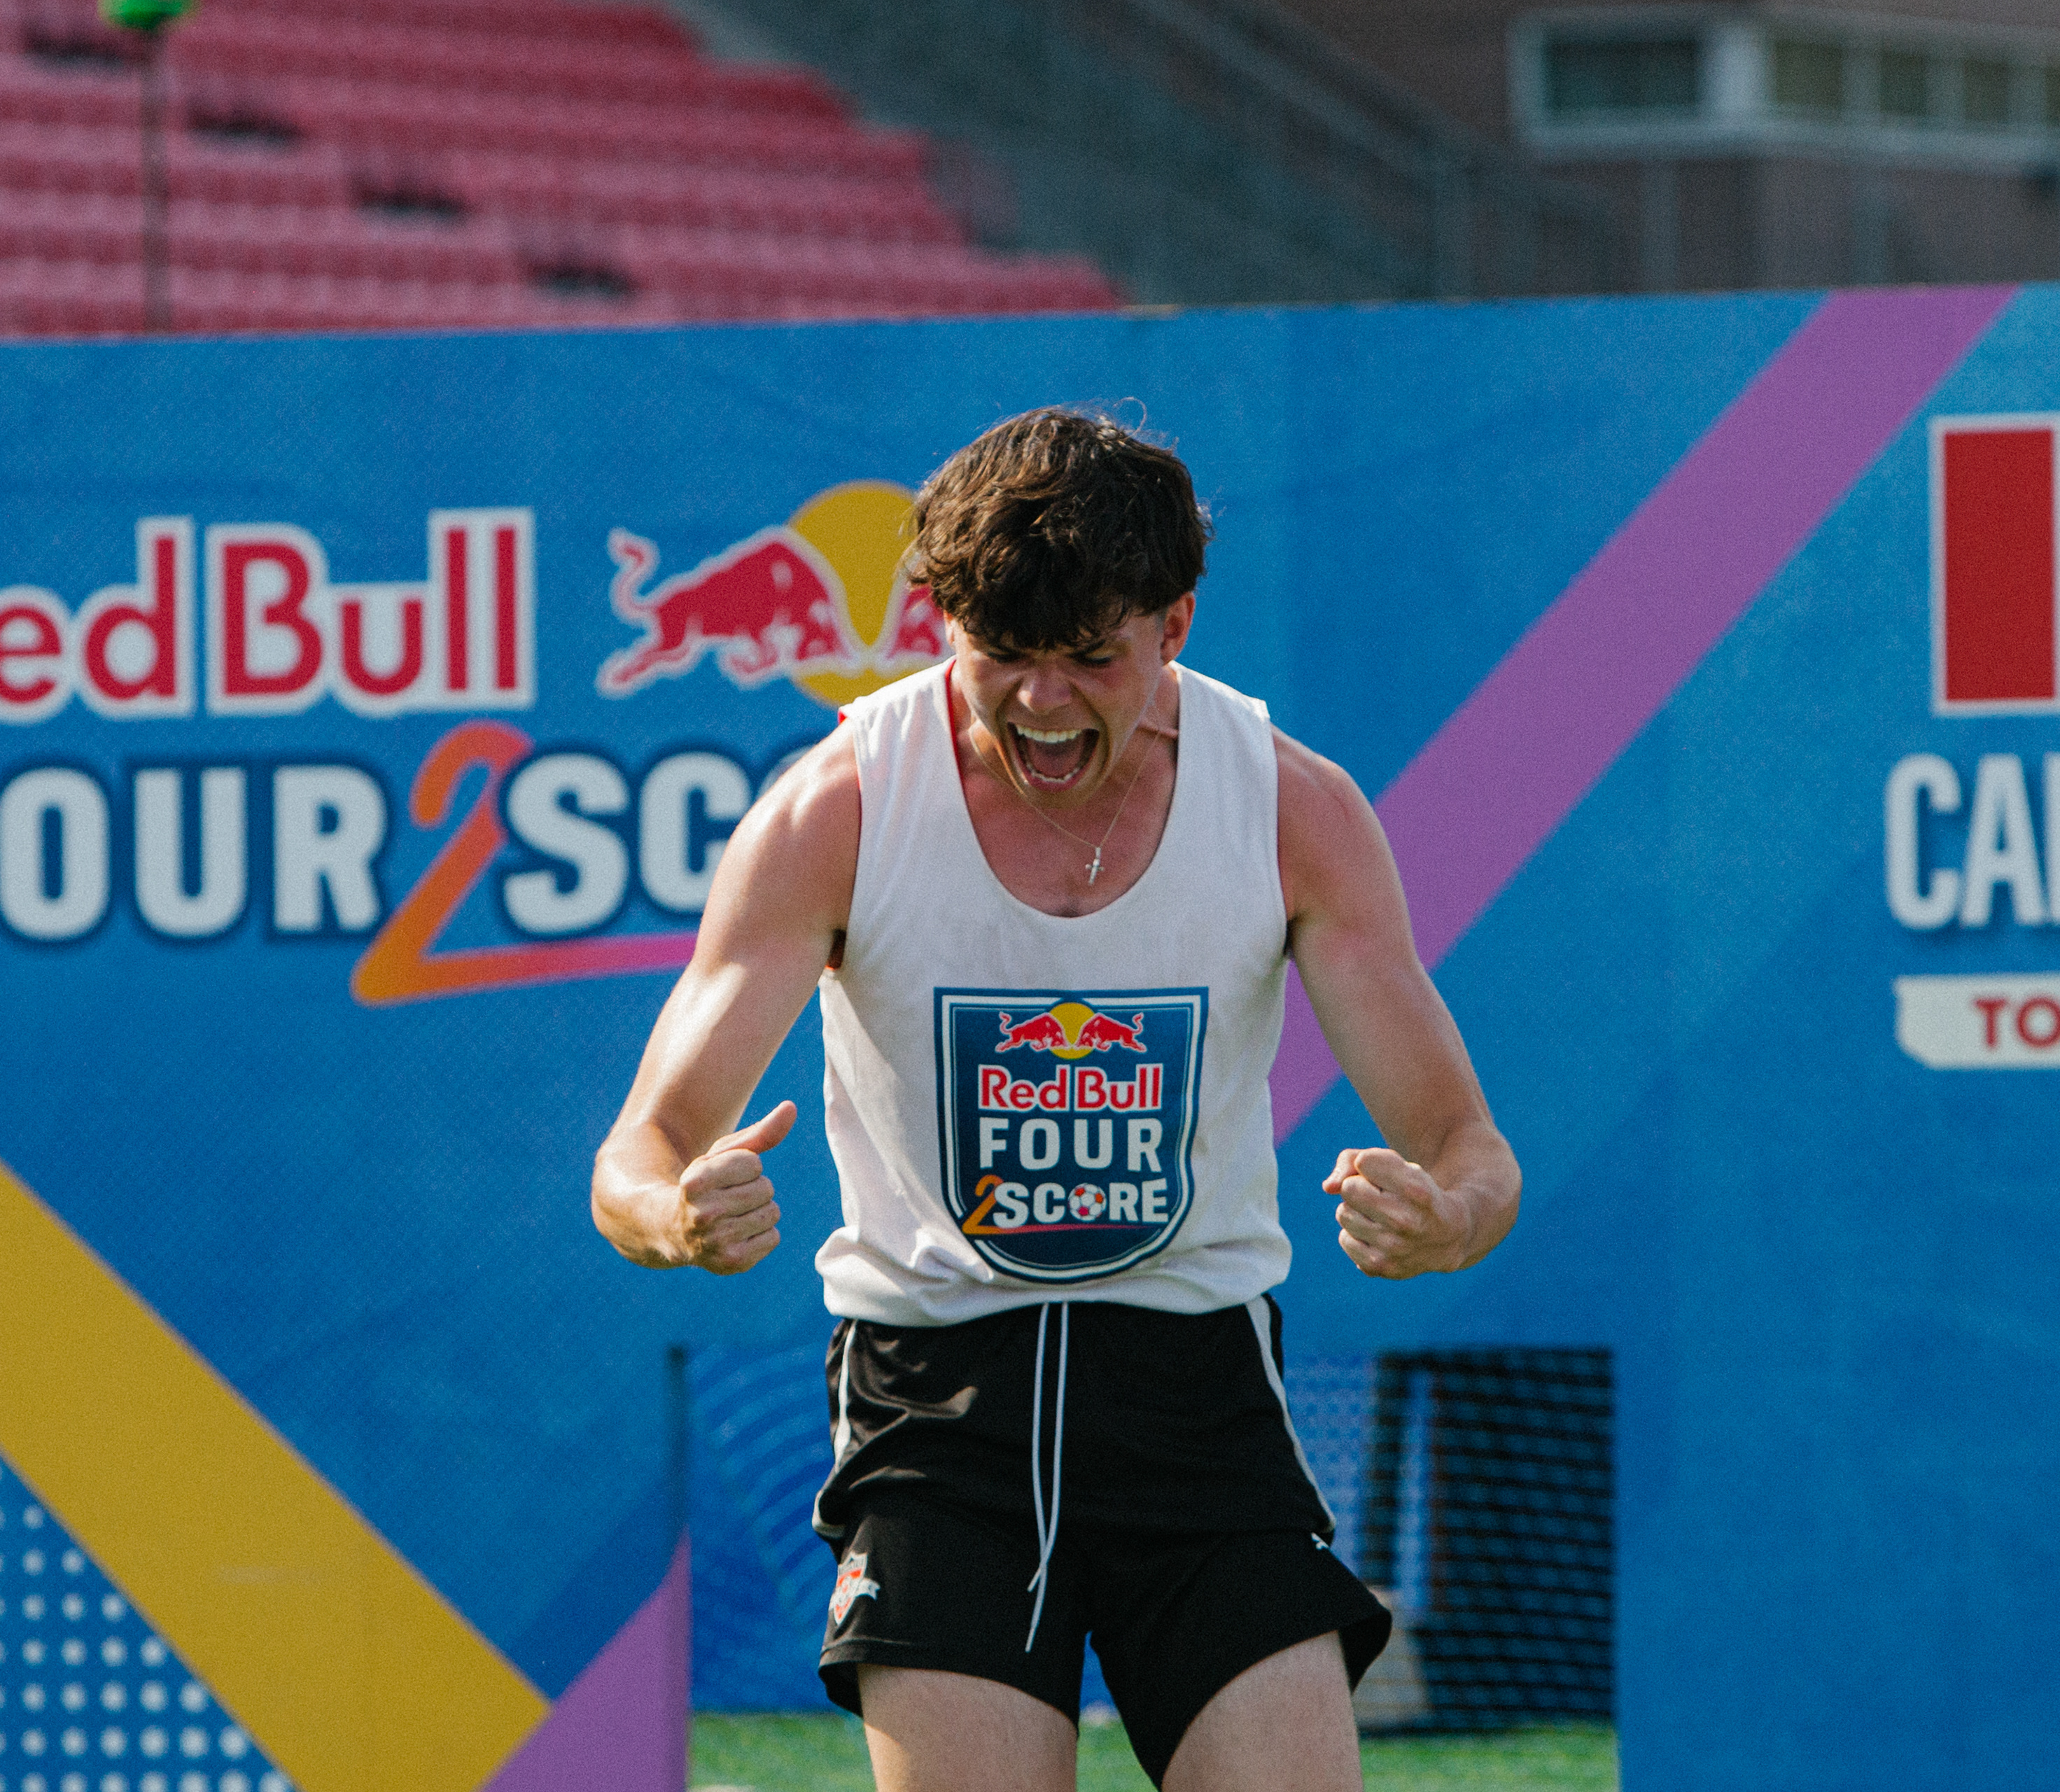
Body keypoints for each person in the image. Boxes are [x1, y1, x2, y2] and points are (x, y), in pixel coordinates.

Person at [591, 407, 1520, 1792]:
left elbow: (1470, 1147)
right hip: (938, 1409)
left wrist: (1447, 1217)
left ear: (1176, 624)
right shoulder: (839, 806)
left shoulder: (1289, 806)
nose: (1040, 701)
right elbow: (639, 1149)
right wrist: (675, 1210)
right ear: (936, 623)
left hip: (1204, 1403)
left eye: (1092, 655)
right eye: (1001, 655)